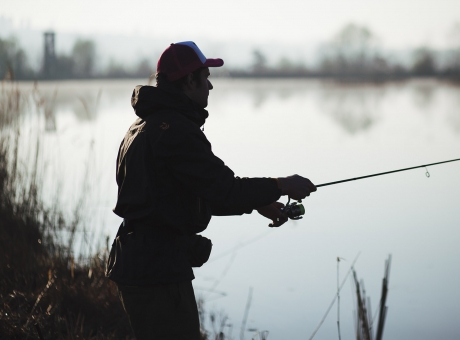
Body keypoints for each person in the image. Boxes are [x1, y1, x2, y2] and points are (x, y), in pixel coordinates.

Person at [105, 41, 316, 340]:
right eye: (205, 77)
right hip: (157, 271)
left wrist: (261, 202)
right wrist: (281, 185)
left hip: (140, 262)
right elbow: (224, 190)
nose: (210, 86)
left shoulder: (143, 126)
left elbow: (187, 189)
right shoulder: (176, 131)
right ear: (189, 81)